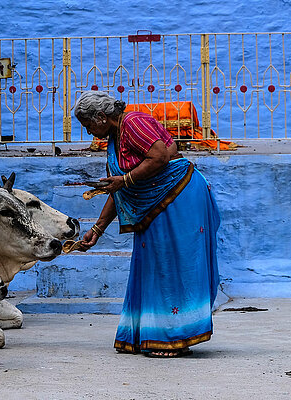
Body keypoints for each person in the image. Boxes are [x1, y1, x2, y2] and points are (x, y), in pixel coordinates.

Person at [74, 91, 220, 357]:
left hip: (178, 194)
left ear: (102, 117)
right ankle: (151, 332)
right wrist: (96, 230)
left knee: (173, 263)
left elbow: (160, 157)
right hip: (153, 202)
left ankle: (176, 336)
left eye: (88, 125)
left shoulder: (133, 123)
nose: (88, 132)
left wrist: (126, 181)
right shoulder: (114, 139)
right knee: (153, 264)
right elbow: (118, 189)